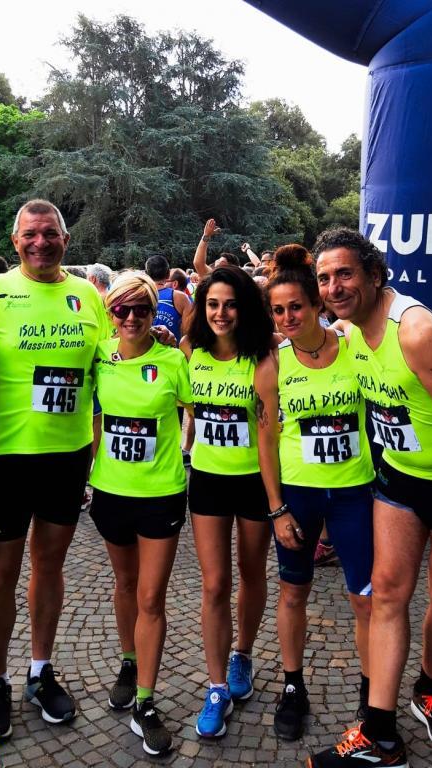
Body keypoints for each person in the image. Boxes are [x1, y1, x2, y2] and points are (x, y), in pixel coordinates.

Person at [308, 228, 432, 768]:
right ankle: (380, 734)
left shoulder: (415, 332)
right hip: (398, 474)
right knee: (388, 594)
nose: (333, 287)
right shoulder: (347, 328)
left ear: (374, 274)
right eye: (324, 278)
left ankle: (429, 689)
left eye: (344, 274)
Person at [0, 200, 109, 741]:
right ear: (15, 239)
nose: (40, 242)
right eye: (30, 234)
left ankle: (40, 670)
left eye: (50, 234)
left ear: (65, 239)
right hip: (4, 459)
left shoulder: (88, 295)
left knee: (49, 567)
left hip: (67, 457)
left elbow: (113, 358)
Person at [255, 244, 375, 743]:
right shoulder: (273, 364)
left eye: (296, 307)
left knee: (365, 599)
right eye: (278, 310)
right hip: (298, 494)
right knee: (293, 591)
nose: (287, 318)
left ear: (316, 305)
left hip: (353, 493)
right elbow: (265, 442)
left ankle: (372, 696)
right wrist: (277, 508)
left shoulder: (354, 345)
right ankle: (292, 686)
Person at [89, 273, 192, 756]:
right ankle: (128, 661)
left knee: (152, 597)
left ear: (155, 313)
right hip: (111, 491)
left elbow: (203, 408)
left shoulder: (173, 360)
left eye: (142, 310)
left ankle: (146, 702)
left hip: (160, 493)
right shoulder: (97, 355)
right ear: (110, 313)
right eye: (121, 310)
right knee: (126, 585)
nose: (131, 318)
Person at [181, 265, 275, 738]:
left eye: (231, 304)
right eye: (213, 304)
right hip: (208, 481)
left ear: (245, 308)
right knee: (215, 583)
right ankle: (217, 686)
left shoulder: (264, 355)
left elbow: (269, 430)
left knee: (251, 573)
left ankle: (243, 654)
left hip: (254, 482)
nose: (221, 313)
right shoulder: (189, 351)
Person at [144, 255, 192, 339]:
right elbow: (187, 334)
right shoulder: (181, 298)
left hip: (143, 347)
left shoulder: (138, 296)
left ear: (146, 274)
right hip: (173, 347)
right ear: (168, 274)